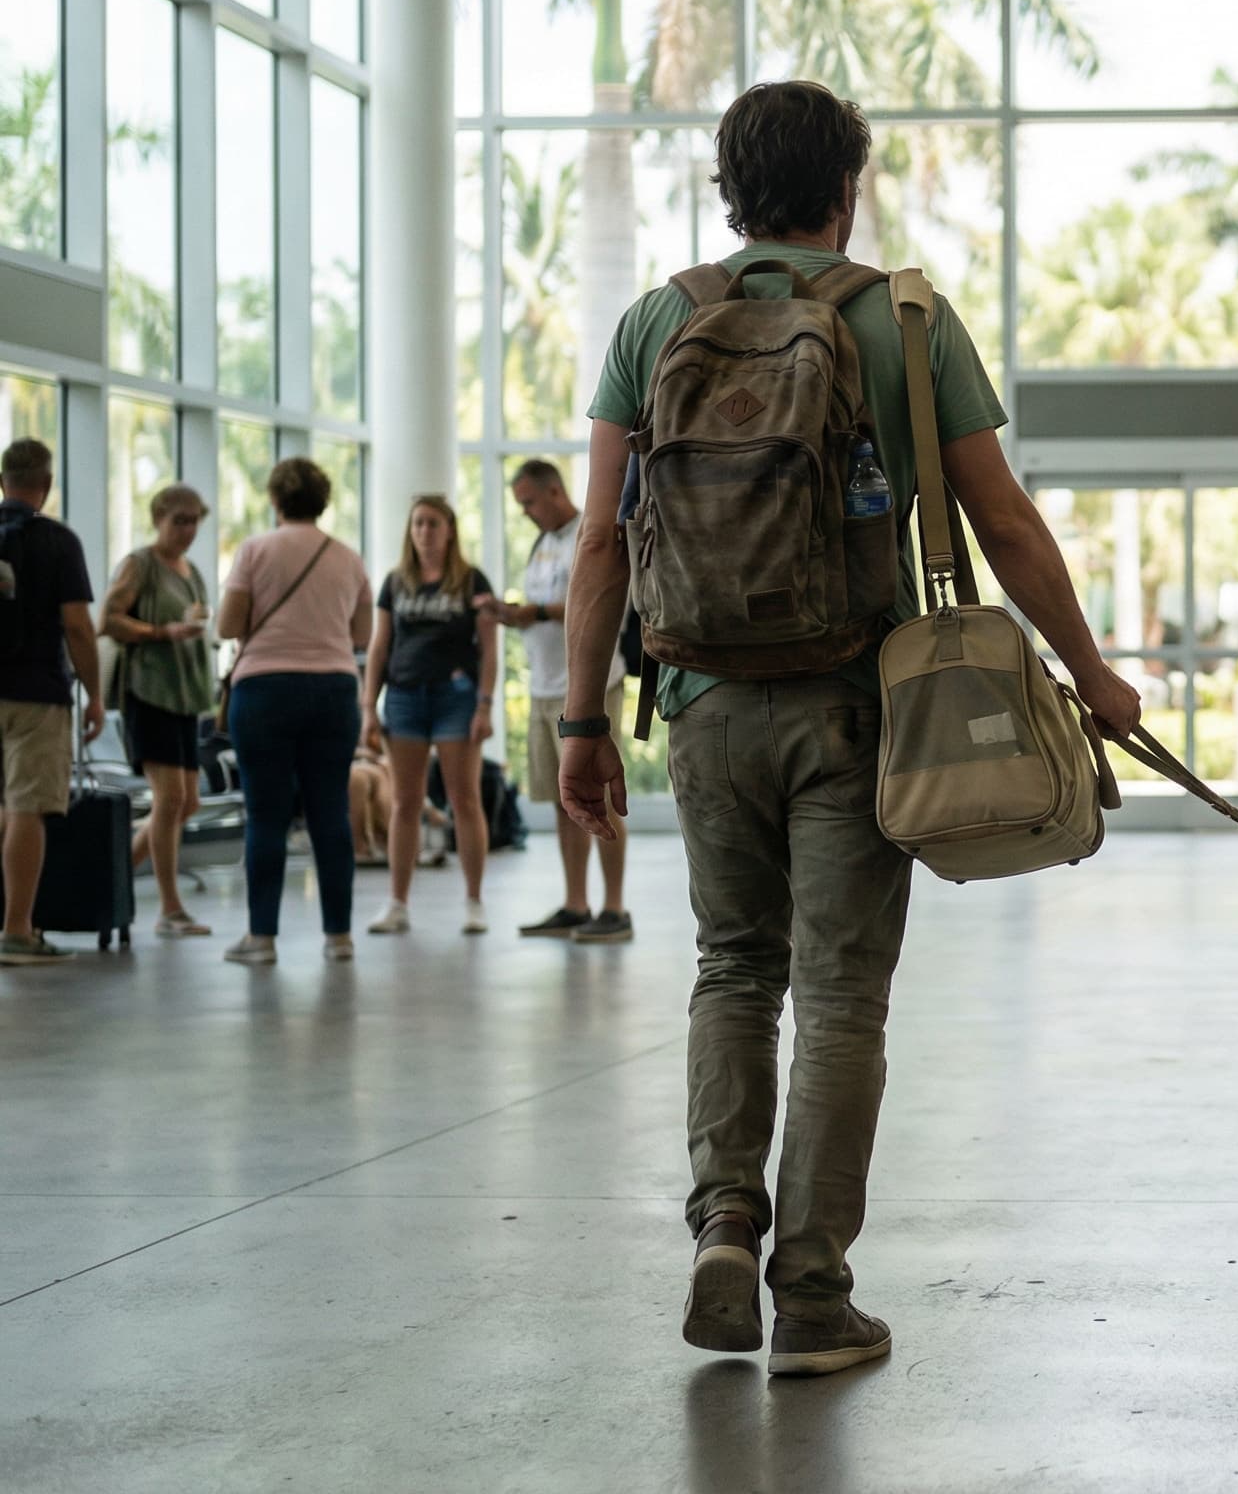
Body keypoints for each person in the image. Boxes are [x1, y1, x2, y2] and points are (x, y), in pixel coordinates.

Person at [556, 80, 1140, 1379]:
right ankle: (812, 1294)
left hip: (699, 707)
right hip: (860, 707)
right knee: (839, 1000)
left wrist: (579, 725)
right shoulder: (904, 319)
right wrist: (1092, 673)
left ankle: (722, 1222)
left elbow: (601, 541)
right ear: (848, 190)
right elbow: (1002, 521)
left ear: (728, 193)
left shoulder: (657, 321)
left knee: (730, 969)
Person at [218, 457, 371, 966]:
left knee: (266, 815)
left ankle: (261, 939)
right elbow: (362, 636)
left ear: (275, 499)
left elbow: (227, 624)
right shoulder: (348, 558)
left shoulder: (255, 550)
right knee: (331, 812)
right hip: (332, 690)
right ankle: (339, 938)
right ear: (322, 500)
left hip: (263, 689)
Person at [492, 460, 629, 943]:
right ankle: (576, 902)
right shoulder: (542, 544)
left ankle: (614, 907)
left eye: (529, 502)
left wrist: (538, 612)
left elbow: (598, 598)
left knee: (602, 794)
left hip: (590, 685)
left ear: (554, 491)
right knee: (563, 799)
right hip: (544, 685)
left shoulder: (584, 535)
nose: (526, 512)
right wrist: (514, 616)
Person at [361, 496, 498, 937]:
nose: (424, 532)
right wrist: (368, 707)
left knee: (465, 800)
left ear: (450, 530)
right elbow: (380, 646)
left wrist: (485, 703)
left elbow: (490, 650)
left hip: (456, 697)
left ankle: (474, 901)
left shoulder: (470, 580)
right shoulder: (395, 582)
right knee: (404, 803)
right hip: (403, 697)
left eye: (433, 524)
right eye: (418, 523)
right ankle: (397, 903)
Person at [0, 439, 106, 966]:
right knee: (26, 807)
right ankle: (18, 928)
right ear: (45, 484)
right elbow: (78, 628)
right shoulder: (58, 541)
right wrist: (94, 693)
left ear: (3, 482)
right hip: (38, 693)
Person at [101, 484, 219, 939]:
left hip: (186, 696)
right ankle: (170, 908)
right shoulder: (140, 564)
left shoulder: (191, 572)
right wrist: (159, 631)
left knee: (187, 801)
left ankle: (110, 877)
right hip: (150, 694)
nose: (187, 530)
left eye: (194, 521)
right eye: (180, 521)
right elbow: (108, 621)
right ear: (159, 518)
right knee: (169, 799)